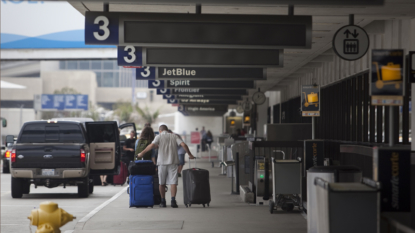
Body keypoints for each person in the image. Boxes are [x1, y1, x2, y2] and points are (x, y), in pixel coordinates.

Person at [138, 125, 195, 208]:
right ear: (167, 130)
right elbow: (184, 145)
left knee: (161, 183)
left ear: (160, 130)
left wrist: (142, 153)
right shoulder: (174, 136)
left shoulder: (159, 136)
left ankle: (163, 202)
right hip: (173, 162)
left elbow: (151, 146)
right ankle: (173, 201)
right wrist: (190, 154)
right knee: (173, 182)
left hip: (162, 163)